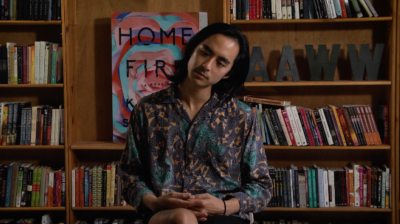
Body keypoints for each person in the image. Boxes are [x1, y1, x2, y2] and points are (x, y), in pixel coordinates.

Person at [118, 22, 272, 224]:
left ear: (228, 73)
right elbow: (129, 176)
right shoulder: (148, 109)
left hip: (223, 216)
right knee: (182, 218)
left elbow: (261, 186)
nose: (206, 65)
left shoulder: (242, 116)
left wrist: (224, 207)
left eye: (221, 62)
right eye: (205, 52)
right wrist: (155, 202)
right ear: (192, 50)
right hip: (165, 216)